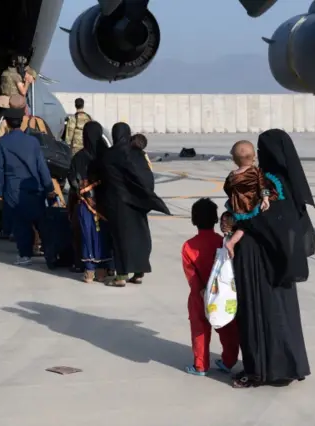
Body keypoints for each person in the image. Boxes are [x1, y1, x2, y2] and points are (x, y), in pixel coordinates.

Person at [230, 128, 315, 389]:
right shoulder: (287, 181)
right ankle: (290, 365)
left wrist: (232, 223)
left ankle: (259, 370)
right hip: (282, 258)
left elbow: (256, 218)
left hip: (258, 257)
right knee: (283, 313)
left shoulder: (266, 181)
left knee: (257, 312)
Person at [100, 123, 170, 287]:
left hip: (118, 204)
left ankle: (121, 276)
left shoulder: (110, 154)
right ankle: (139, 272)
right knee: (140, 236)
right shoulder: (138, 154)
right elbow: (147, 177)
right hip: (138, 202)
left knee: (121, 239)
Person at [181, 198, 239, 376]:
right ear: (216, 220)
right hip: (222, 294)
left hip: (200, 295)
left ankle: (200, 365)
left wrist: (200, 290)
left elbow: (191, 274)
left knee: (200, 329)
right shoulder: (222, 242)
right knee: (228, 327)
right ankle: (228, 361)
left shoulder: (189, 246)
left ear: (193, 220)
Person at [0, 106, 55, 266]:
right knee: (41, 222)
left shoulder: (1, 142)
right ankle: (50, 253)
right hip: (35, 187)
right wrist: (49, 188)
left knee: (20, 224)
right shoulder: (33, 141)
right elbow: (41, 166)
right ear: (22, 122)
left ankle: (25, 254)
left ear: (6, 123)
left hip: (13, 189)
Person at [67, 121, 114, 283]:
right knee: (104, 235)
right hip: (105, 204)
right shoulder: (107, 156)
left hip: (85, 205)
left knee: (87, 234)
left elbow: (72, 179)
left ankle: (89, 271)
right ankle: (103, 269)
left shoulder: (79, 157)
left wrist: (82, 191)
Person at [223, 139, 272, 257]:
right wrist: (265, 198)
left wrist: (234, 197)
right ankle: (232, 242)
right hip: (251, 204)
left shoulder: (232, 175)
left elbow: (227, 188)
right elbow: (262, 185)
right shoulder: (256, 171)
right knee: (246, 226)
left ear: (235, 160)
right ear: (254, 158)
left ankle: (228, 232)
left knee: (237, 222)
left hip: (236, 205)